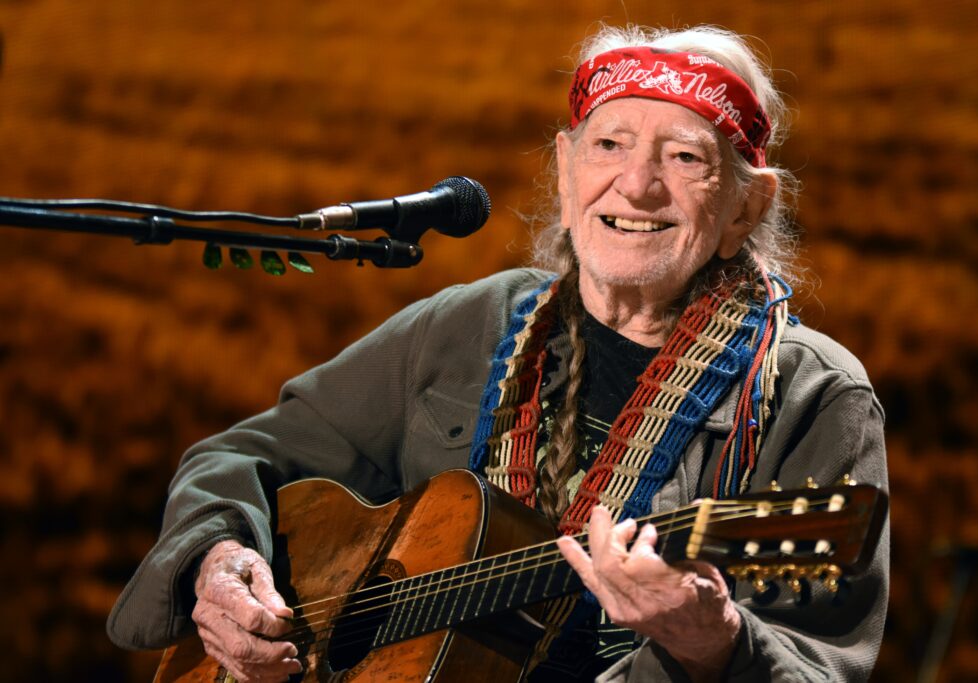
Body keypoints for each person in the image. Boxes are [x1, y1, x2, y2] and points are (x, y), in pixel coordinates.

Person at [108, 24, 888, 683]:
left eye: (685, 159)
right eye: (609, 145)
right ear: (564, 165)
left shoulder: (815, 397)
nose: (637, 185)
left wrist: (713, 643)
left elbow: (822, 662)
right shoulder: (476, 321)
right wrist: (217, 558)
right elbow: (241, 456)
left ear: (747, 206)